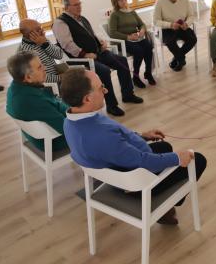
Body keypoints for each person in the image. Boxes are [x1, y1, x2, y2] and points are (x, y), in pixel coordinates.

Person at [60, 68, 207, 224]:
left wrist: (142, 135)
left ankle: (163, 204)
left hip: (115, 165)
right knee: (197, 160)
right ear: (87, 99)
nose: (106, 90)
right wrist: (178, 158)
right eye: (100, 87)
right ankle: (158, 203)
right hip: (131, 180)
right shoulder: (101, 135)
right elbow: (143, 161)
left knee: (164, 146)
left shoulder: (71, 120)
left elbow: (117, 136)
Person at [53, 0, 143, 117]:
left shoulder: (81, 18)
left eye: (80, 3)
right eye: (76, 5)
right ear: (67, 7)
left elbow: (91, 34)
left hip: (97, 53)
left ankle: (128, 94)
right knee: (104, 71)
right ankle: (112, 105)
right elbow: (67, 44)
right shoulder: (60, 23)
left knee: (122, 61)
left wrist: (100, 41)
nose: (79, 6)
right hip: (80, 59)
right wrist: (84, 54)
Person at [6, 52, 68, 152]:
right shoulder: (32, 101)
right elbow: (66, 127)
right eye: (39, 67)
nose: (44, 68)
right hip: (54, 140)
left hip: (39, 136)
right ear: (28, 78)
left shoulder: (15, 88)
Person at [109, 0, 155, 88]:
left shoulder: (132, 12)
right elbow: (112, 33)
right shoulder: (114, 15)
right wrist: (128, 37)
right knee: (138, 51)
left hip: (136, 38)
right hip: (123, 41)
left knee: (148, 47)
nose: (124, 1)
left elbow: (141, 24)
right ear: (116, 2)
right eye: (121, 0)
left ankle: (148, 73)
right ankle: (136, 76)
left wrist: (142, 31)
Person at [153, 0, 197, 72]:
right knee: (170, 41)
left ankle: (176, 59)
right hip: (167, 29)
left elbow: (191, 15)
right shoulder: (160, 1)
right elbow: (156, 21)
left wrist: (187, 24)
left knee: (193, 39)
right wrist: (170, 25)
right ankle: (181, 60)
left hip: (182, 26)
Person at [18, 18, 64, 83]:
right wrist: (60, 78)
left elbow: (59, 55)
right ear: (30, 34)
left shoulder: (41, 39)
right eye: (38, 29)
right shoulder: (26, 51)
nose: (42, 30)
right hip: (51, 85)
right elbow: (39, 77)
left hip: (58, 74)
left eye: (41, 27)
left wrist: (45, 44)